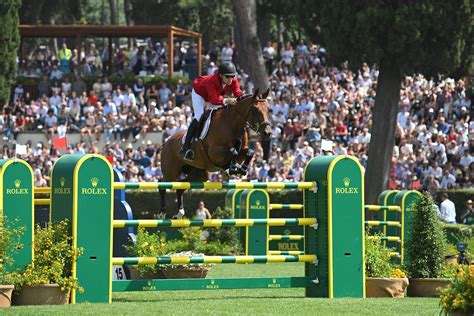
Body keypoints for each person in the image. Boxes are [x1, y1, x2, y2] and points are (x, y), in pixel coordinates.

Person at [180, 61, 243, 160]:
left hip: (214, 95)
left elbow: (237, 92)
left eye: (232, 76)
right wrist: (227, 100)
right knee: (199, 115)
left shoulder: (232, 79)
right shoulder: (212, 81)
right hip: (199, 93)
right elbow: (213, 100)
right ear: (221, 75)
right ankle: (185, 147)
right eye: (228, 77)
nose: (230, 79)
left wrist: (245, 98)